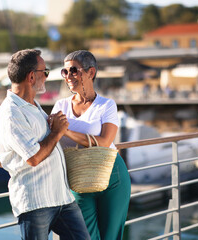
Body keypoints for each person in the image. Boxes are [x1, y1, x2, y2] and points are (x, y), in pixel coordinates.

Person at [0, 49, 90, 240]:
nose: (46, 77)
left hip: (62, 198)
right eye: (45, 72)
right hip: (36, 202)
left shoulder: (32, 105)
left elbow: (28, 141)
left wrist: (6, 148)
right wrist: (57, 131)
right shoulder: (11, 112)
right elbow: (34, 157)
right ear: (31, 77)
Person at [50, 50, 131, 240]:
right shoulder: (60, 106)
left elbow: (104, 142)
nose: (68, 76)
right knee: (83, 236)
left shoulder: (106, 105)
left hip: (112, 176)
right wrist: (7, 148)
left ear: (91, 72)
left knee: (110, 236)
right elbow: (46, 135)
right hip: (77, 179)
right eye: (65, 71)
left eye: (74, 71)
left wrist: (66, 131)